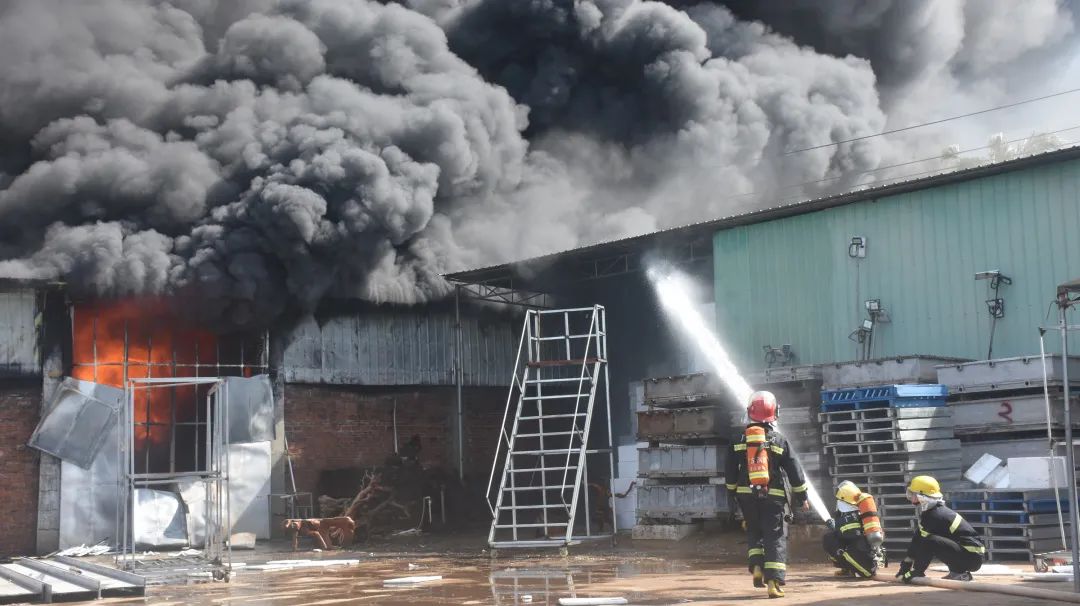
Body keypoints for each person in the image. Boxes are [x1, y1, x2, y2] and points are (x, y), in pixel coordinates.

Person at [726, 391, 810, 599]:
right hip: (773, 497)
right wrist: (802, 497)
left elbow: (729, 470)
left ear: (750, 412)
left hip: (746, 495)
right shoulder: (779, 440)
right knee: (775, 536)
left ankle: (756, 567)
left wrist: (732, 494)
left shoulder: (738, 439)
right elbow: (794, 471)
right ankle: (773, 581)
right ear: (774, 414)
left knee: (754, 530)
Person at [896, 475, 985, 582]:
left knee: (931, 540)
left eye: (913, 494)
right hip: (969, 555)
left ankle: (957, 572)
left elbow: (926, 543)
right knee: (922, 534)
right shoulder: (933, 512)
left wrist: (916, 571)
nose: (910, 497)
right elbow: (918, 538)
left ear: (922, 495)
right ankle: (958, 573)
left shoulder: (935, 514)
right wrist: (906, 564)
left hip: (971, 558)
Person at [822, 481, 884, 578]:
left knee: (831, 540)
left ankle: (861, 570)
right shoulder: (858, 512)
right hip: (868, 553)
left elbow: (849, 534)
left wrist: (835, 527)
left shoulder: (850, 515)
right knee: (831, 538)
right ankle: (848, 569)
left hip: (866, 559)